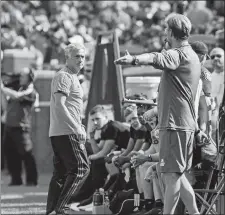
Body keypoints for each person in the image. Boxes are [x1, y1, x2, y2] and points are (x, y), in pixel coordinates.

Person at [115, 13, 207, 215]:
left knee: (171, 176)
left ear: (171, 32)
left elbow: (155, 57)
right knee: (178, 176)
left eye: (166, 29)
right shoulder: (190, 54)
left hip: (175, 125)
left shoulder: (179, 53)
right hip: (181, 125)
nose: (164, 32)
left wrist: (133, 59)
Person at [46, 43, 90, 215]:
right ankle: (62, 207)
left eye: (83, 56)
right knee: (81, 168)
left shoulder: (71, 77)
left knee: (62, 173)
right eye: (77, 56)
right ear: (68, 57)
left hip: (62, 131)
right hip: (66, 132)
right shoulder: (64, 76)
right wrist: (76, 128)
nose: (81, 60)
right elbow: (60, 105)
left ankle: (52, 210)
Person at [1, 67, 38, 186]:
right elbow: (6, 105)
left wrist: (2, 88)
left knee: (27, 154)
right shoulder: (19, 89)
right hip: (10, 126)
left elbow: (17, 96)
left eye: (23, 75)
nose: (20, 77)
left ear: (30, 78)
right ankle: (16, 179)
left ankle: (32, 180)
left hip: (22, 128)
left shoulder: (31, 92)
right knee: (10, 154)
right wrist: (1, 92)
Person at [209, 47, 224, 141]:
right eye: (212, 57)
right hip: (216, 121)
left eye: (219, 55)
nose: (215, 58)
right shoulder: (209, 78)